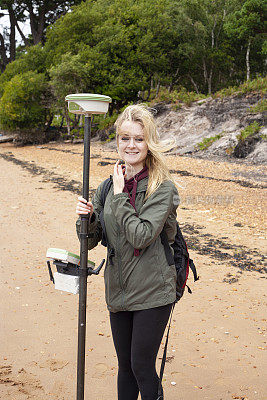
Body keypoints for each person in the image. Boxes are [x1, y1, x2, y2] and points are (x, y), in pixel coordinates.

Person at [76, 104, 179, 400]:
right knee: (125, 367)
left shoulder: (163, 188)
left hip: (153, 290)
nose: (131, 145)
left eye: (139, 138)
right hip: (119, 289)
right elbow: (90, 241)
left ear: (149, 143)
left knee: (141, 366)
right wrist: (88, 217)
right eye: (125, 138)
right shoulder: (108, 185)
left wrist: (120, 198)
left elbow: (141, 236)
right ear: (117, 141)